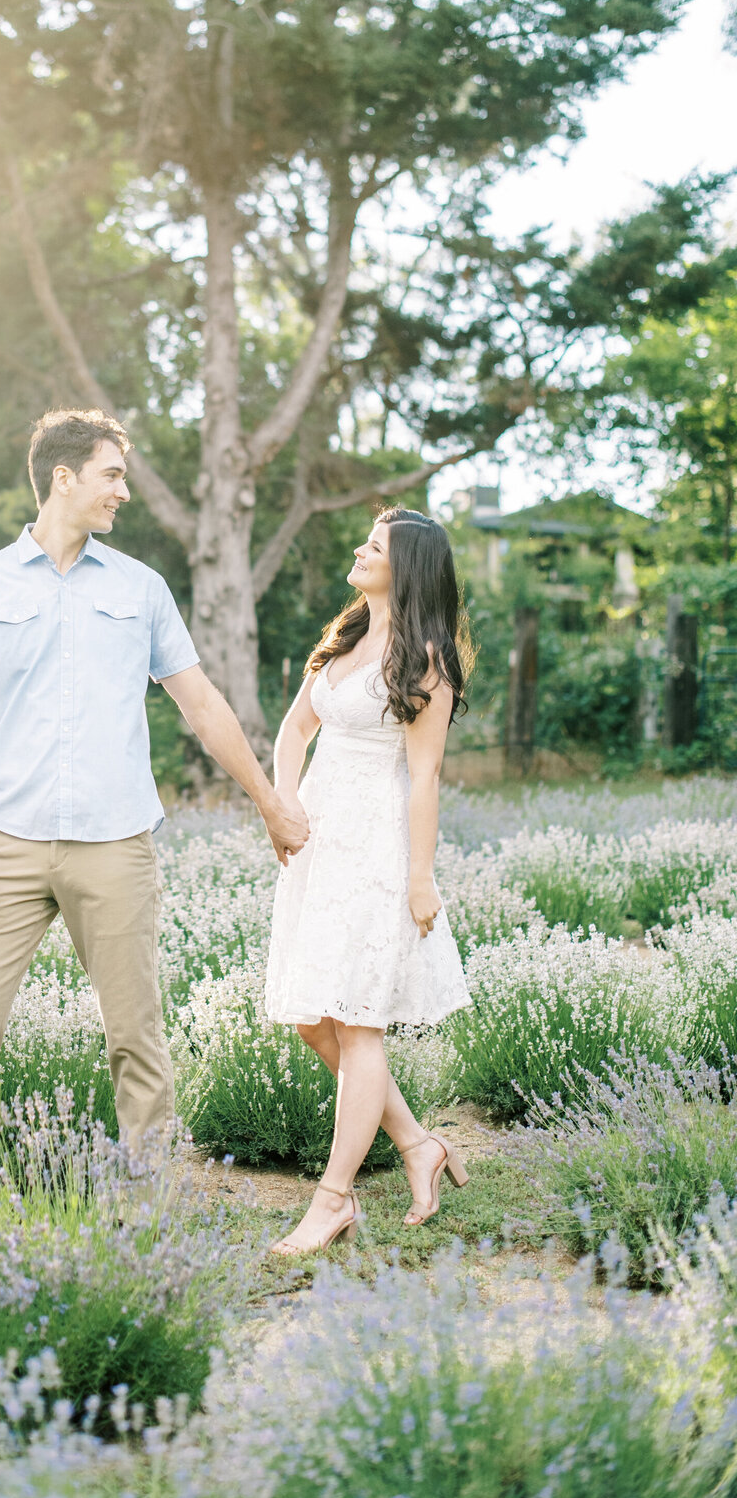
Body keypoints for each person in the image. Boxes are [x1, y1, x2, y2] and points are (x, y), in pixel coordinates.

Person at [0, 406, 310, 1185]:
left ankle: (150, 1207)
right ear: (63, 479)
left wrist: (267, 797)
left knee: (136, 1034)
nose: (122, 492)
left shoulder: (142, 589)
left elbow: (201, 705)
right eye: (112, 475)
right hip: (6, 845)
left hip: (117, 845)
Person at [265, 506, 472, 1254]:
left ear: (406, 566)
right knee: (311, 1018)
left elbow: (425, 780)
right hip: (317, 842)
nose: (360, 549)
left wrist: (421, 877)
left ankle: (334, 1199)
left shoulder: (426, 660)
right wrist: (283, 803)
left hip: (377, 851)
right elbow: (294, 730)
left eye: (375, 545)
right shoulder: (346, 636)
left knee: (356, 1022)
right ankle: (419, 1143)